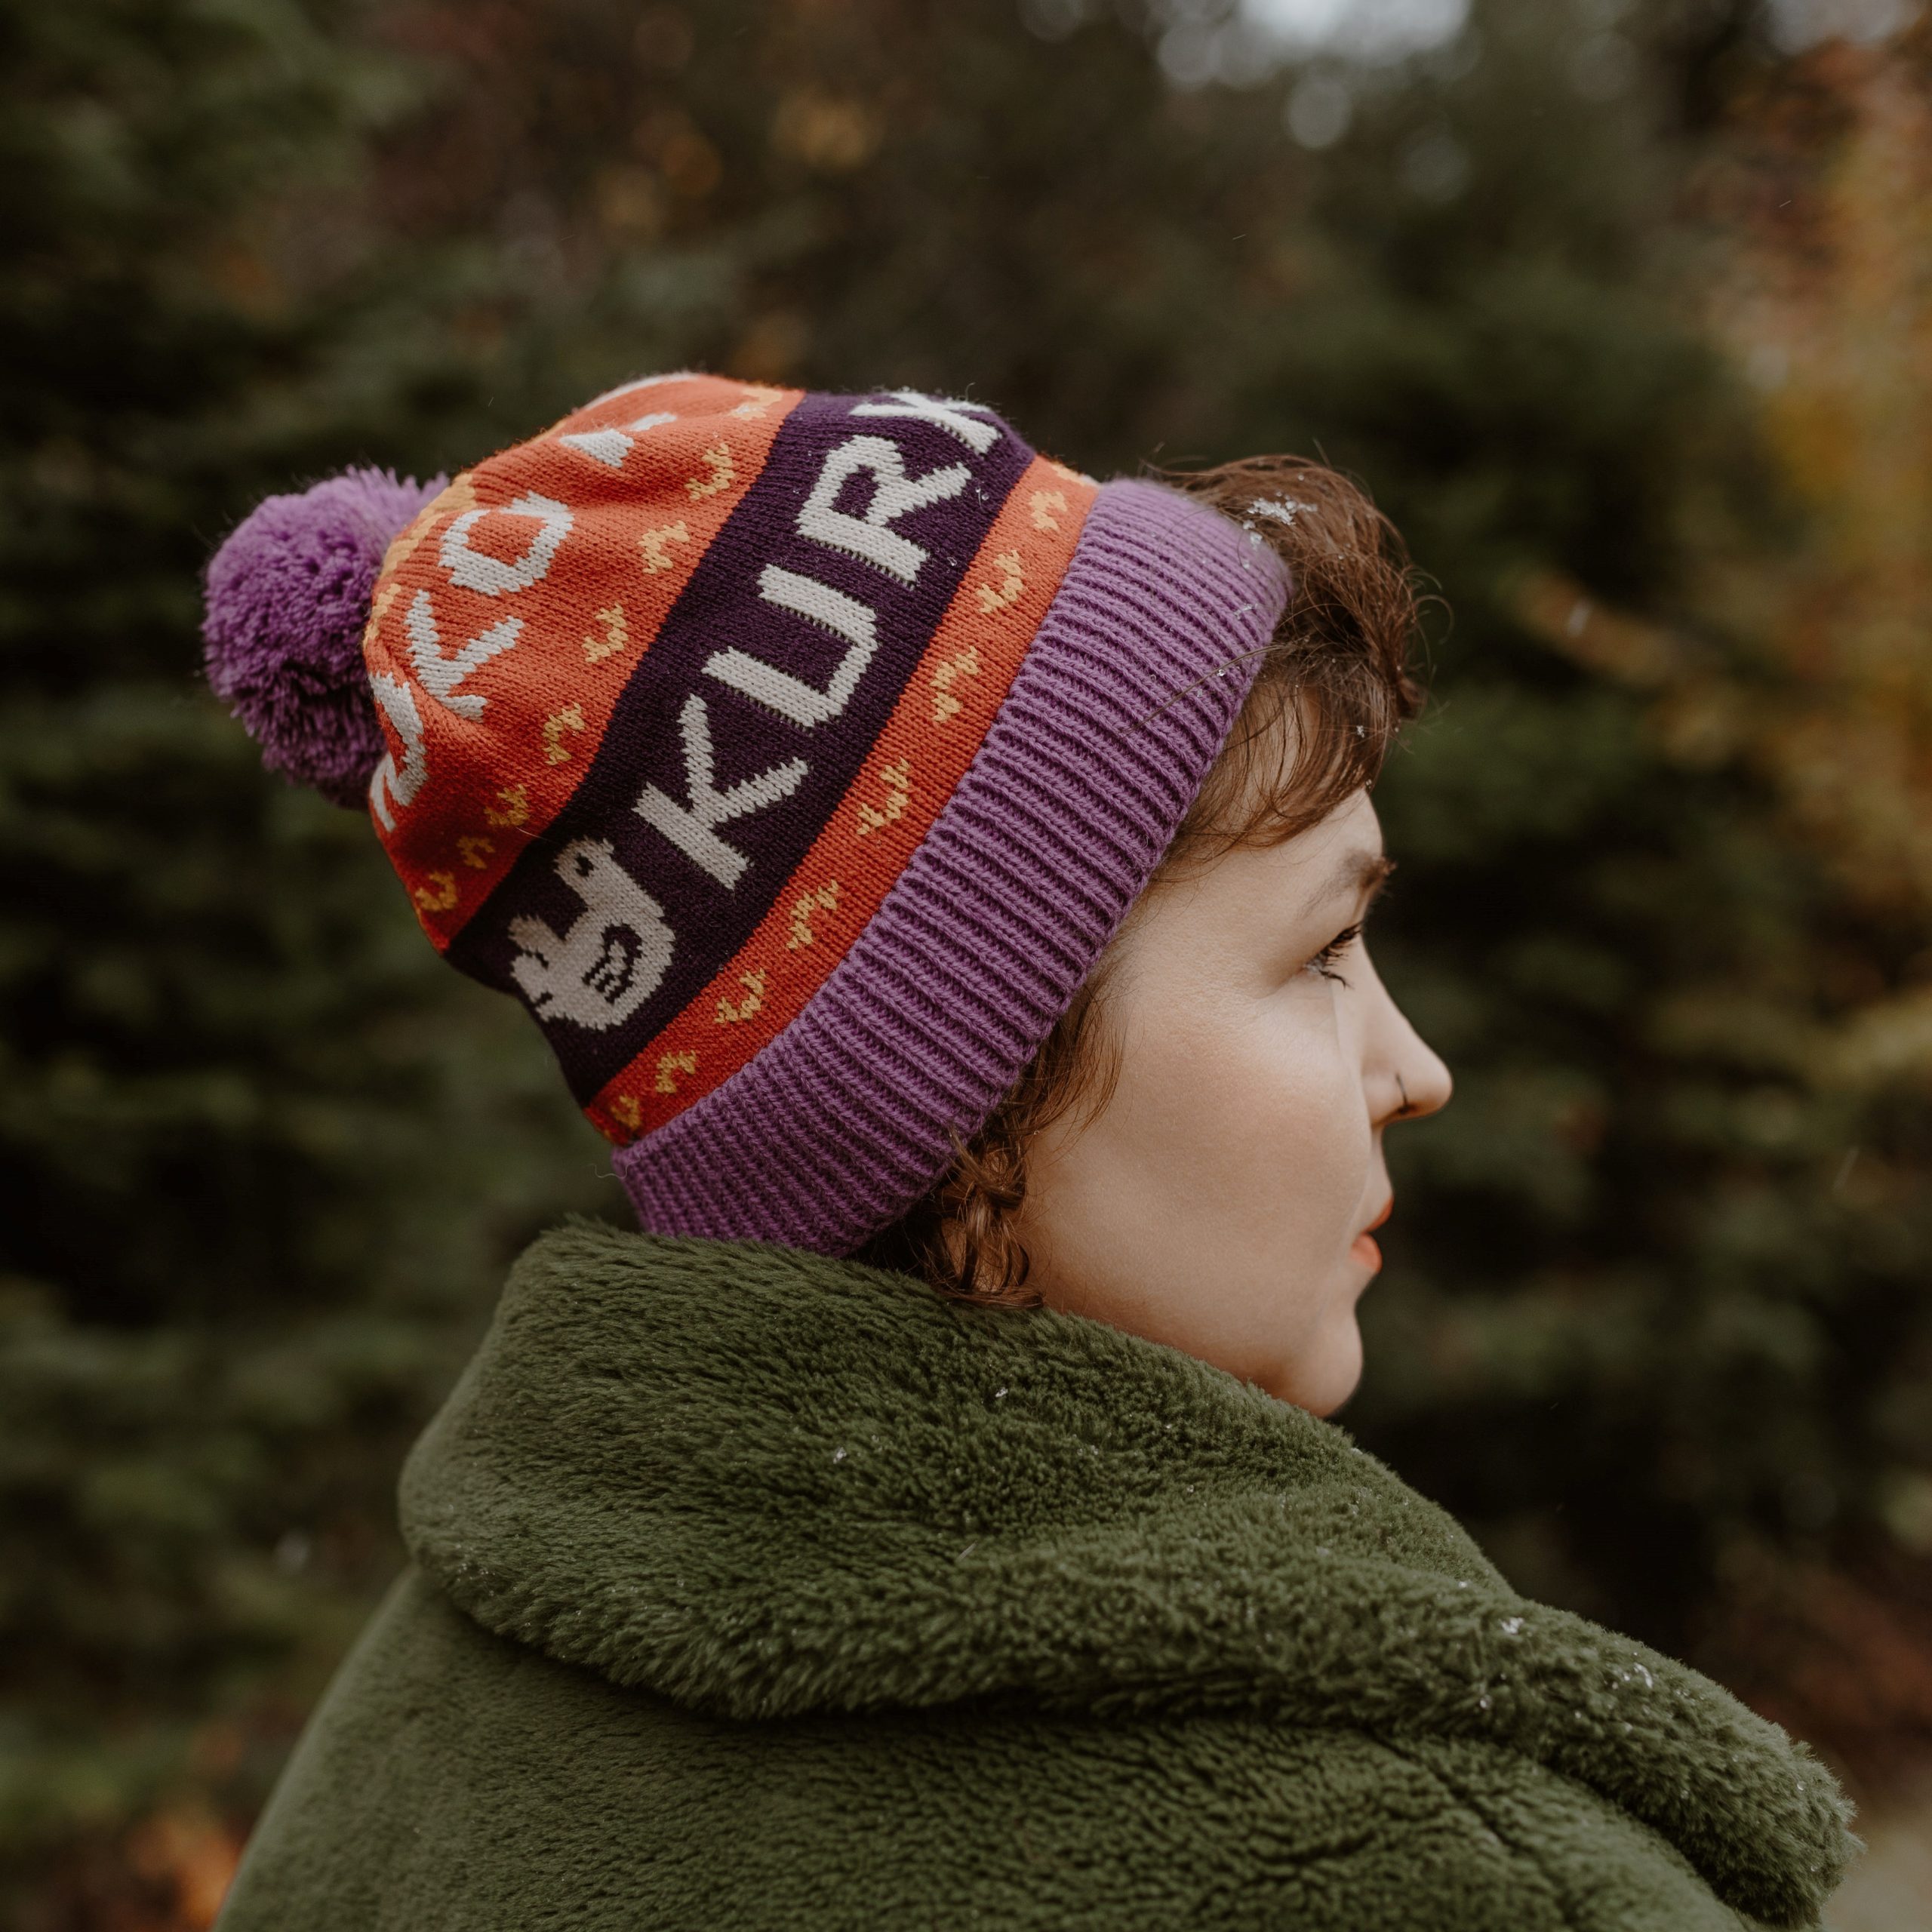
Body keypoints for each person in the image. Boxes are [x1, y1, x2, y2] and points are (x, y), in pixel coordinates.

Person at [200, 374, 1853, 1930]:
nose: (1415, 1071)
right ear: (963, 1087)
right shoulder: (1449, 1872)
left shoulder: (406, 1728)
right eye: (1321, 952)